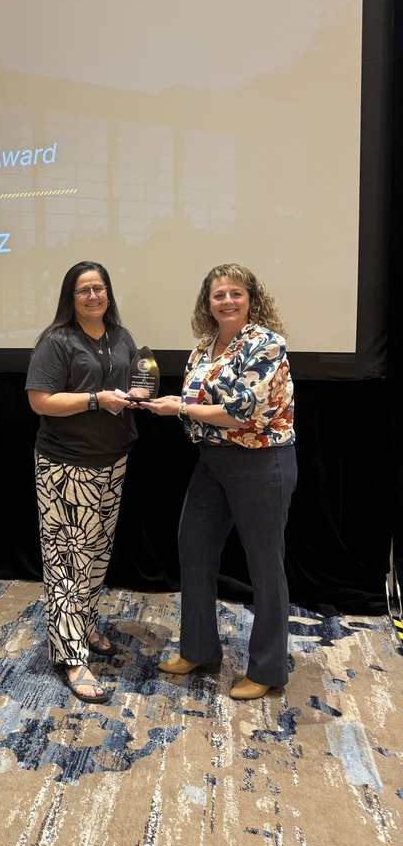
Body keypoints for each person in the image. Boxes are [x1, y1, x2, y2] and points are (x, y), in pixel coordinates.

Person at [142, 263, 296, 700]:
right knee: (193, 550)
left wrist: (181, 410)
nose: (226, 301)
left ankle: (267, 670)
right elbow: (195, 402)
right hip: (212, 462)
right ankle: (197, 649)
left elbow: (240, 412)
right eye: (218, 295)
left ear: (251, 298)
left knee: (266, 566)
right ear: (206, 303)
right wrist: (176, 404)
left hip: (261, 462)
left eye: (235, 293)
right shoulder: (203, 348)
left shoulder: (266, 343)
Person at [26, 261, 139, 704]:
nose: (93, 296)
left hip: (113, 461)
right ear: (70, 298)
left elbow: (129, 386)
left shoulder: (122, 336)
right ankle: (71, 656)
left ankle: (86, 623)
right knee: (67, 563)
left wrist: (138, 396)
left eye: (100, 288)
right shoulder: (57, 341)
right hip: (66, 466)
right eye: (83, 290)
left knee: (96, 554)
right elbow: (41, 401)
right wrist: (95, 399)